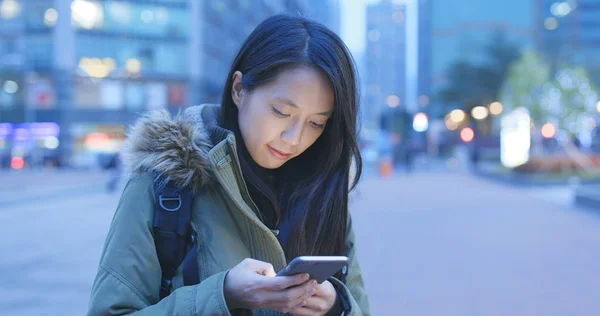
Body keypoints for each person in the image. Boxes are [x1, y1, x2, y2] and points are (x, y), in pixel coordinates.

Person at [87, 14, 370, 316]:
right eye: (280, 111)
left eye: (316, 123)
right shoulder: (166, 183)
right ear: (238, 89)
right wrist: (223, 294)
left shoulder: (323, 193)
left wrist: (337, 307)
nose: (294, 138)